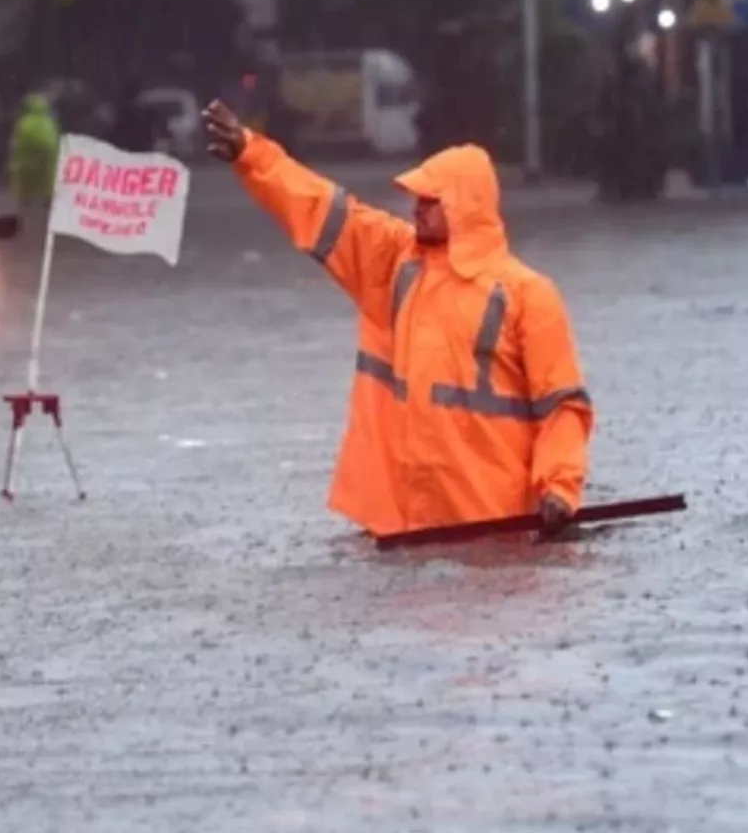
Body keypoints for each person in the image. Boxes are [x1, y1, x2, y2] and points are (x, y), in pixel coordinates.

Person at [203, 99, 595, 539]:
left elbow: (562, 405)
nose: (417, 208)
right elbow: (323, 209)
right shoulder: (396, 261)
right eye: (418, 199)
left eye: (431, 201)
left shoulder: (529, 295)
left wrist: (559, 488)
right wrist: (252, 155)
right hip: (403, 525)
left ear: (464, 206)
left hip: (494, 527)